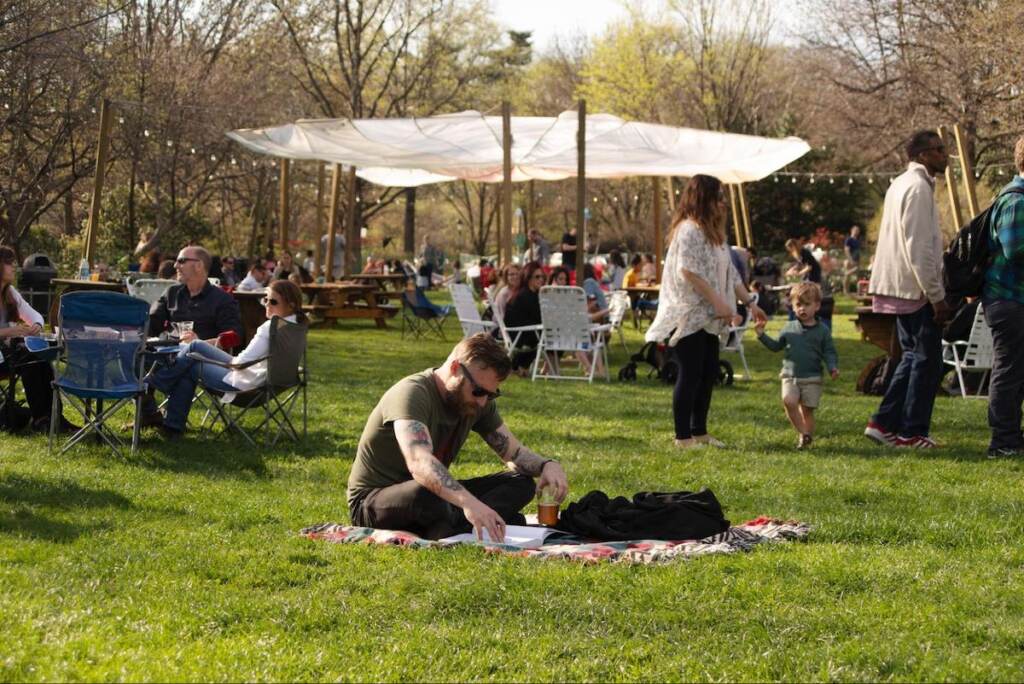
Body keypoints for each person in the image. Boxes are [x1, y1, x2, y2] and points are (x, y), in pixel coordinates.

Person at [346, 332, 569, 541]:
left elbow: (513, 452)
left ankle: (452, 525)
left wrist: (546, 465)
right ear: (455, 368)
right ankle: (462, 524)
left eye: (492, 394)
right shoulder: (412, 393)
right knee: (425, 491)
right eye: (479, 392)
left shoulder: (477, 403)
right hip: (373, 502)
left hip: (433, 497)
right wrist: (470, 503)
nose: (483, 401)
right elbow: (420, 463)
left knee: (520, 482)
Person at [645, 175, 765, 450]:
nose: (723, 203)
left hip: (711, 317)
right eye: (719, 198)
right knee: (690, 373)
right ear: (704, 199)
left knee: (708, 372)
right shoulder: (689, 230)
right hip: (690, 314)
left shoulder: (715, 236)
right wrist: (718, 303)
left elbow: (731, 273)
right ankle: (682, 436)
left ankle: (699, 432)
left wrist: (750, 302)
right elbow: (688, 271)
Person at [864, 130, 951, 449]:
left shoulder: (901, 184)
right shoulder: (916, 187)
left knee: (913, 357)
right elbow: (919, 248)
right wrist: (936, 296)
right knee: (926, 361)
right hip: (913, 288)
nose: (945, 155)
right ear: (923, 155)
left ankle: (884, 422)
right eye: (939, 150)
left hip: (900, 284)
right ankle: (911, 431)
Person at [147, 280, 306, 440]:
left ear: (291, 305)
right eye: (265, 299)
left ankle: (157, 387)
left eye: (273, 301)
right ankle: (172, 426)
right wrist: (210, 347)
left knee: (193, 352)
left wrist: (208, 351)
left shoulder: (270, 327)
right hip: (272, 384)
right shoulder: (296, 326)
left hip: (245, 386)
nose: (266, 304)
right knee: (193, 352)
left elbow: (238, 364)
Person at [0, 246, 75, 433]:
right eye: (9, 263)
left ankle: (54, 416)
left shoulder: (10, 293)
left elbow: (35, 316)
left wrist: (37, 326)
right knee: (29, 354)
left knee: (39, 352)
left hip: (9, 351)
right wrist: (11, 331)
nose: (14, 267)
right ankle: (42, 418)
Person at [755, 283, 839, 449]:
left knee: (807, 411)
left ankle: (805, 441)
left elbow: (829, 352)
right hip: (789, 376)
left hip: (812, 378)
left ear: (817, 306)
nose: (802, 309)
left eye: (807, 304)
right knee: (788, 401)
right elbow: (775, 346)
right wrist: (761, 335)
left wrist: (832, 367)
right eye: (798, 305)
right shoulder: (788, 328)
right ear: (792, 307)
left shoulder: (822, 331)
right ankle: (804, 434)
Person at [981, 135, 1024, 457]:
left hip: (1015, 300)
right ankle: (1003, 441)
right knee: (1008, 371)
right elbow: (1015, 249)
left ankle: (1013, 435)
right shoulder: (1016, 200)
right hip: (1009, 300)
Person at [503, 261, 545, 372]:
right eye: (537, 276)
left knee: (551, 334)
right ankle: (519, 365)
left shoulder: (530, 294)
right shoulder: (525, 296)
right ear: (528, 278)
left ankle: (521, 366)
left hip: (524, 332)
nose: (541, 279)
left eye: (542, 277)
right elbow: (538, 318)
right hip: (521, 335)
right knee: (552, 335)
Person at [784, 238, 833, 327]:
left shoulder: (804, 252)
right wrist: (791, 270)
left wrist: (799, 273)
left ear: (793, 246)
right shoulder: (798, 254)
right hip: (808, 273)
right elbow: (799, 264)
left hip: (814, 272)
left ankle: (817, 305)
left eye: (790, 248)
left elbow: (809, 266)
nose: (789, 250)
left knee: (813, 289)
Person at [843, 225, 863, 293]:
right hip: (850, 260)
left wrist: (859, 261)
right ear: (852, 230)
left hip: (856, 261)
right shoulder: (849, 239)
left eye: (858, 230)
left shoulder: (857, 241)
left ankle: (858, 291)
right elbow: (846, 250)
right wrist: (850, 260)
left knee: (857, 276)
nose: (857, 232)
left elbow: (858, 252)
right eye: (855, 230)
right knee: (847, 276)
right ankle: (845, 291)